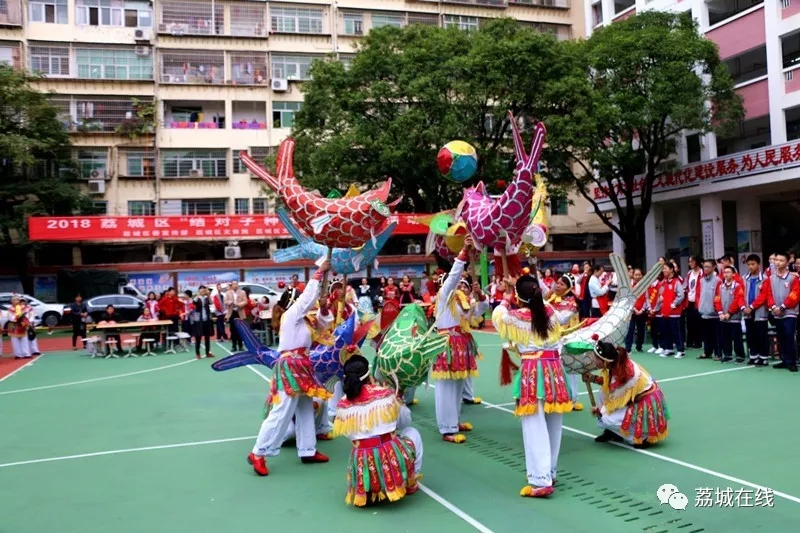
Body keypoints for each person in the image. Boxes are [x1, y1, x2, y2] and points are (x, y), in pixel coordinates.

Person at [247, 261, 334, 476]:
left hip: (302, 366)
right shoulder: (292, 315)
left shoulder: (303, 321)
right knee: (282, 410)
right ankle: (258, 452)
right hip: (291, 366)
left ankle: (307, 449)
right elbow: (306, 300)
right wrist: (319, 274)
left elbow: (323, 328)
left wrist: (323, 308)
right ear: (294, 301)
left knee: (305, 408)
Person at [492, 273, 573, 498]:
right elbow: (551, 308)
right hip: (554, 369)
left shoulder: (515, 317)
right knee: (554, 422)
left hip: (533, 370)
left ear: (519, 297)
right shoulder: (549, 312)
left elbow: (498, 315)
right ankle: (550, 471)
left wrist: (507, 297)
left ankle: (541, 479)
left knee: (534, 424)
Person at [333, 354, 422, 507]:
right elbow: (404, 421)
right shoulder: (384, 394)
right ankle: (409, 481)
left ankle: (367, 488)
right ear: (369, 376)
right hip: (389, 454)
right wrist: (399, 400)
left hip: (362, 458)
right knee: (412, 433)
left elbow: (350, 437)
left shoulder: (342, 404)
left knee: (360, 447)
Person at [431, 236, 489, 444]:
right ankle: (446, 428)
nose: (463, 288)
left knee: (457, 386)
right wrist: (463, 253)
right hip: (446, 345)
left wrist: (480, 295)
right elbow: (454, 277)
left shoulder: (463, 304)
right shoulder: (445, 295)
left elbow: (480, 313)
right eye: (461, 286)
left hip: (461, 346)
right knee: (446, 388)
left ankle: (454, 421)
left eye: (465, 286)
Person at [589, 340, 669, 448]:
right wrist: (593, 378)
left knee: (607, 419)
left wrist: (599, 411)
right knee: (602, 393)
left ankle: (643, 437)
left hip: (644, 403)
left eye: (596, 358)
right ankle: (612, 432)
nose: (594, 360)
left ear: (605, 361)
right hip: (638, 398)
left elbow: (613, 400)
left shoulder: (625, 375)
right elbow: (611, 384)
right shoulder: (617, 364)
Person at [753, 252, 800, 372]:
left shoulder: (793, 278)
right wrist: (773, 306)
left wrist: (783, 307)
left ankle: (792, 361)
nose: (778, 263)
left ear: (787, 262)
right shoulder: (770, 278)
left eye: (781, 260)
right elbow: (768, 294)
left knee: (789, 336)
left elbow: (795, 294)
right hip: (776, 312)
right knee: (781, 337)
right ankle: (784, 360)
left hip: (789, 312)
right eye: (776, 260)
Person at [547, 273, 584, 411]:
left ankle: (573, 399)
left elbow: (562, 320)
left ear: (569, 288)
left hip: (569, 341)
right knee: (554, 370)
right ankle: (558, 397)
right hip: (553, 341)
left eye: (562, 284)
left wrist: (548, 306)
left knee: (571, 370)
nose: (557, 285)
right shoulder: (552, 299)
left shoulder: (572, 303)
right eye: (557, 282)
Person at [715, 265, 745, 364]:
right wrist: (720, 313)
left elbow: (737, 300)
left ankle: (740, 356)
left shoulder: (737, 286)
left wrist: (729, 313)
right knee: (725, 337)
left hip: (734, 317)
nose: (726, 274)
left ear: (733, 274)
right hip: (723, 317)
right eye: (725, 272)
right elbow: (717, 300)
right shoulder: (720, 286)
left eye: (728, 272)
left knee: (737, 338)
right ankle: (728, 355)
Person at [742, 255, 769, 366]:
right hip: (747, 311)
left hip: (759, 310)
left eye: (753, 264)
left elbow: (763, 296)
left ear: (759, 264)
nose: (751, 266)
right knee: (750, 334)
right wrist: (744, 307)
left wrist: (752, 307)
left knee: (761, 334)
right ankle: (753, 356)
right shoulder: (744, 278)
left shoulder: (765, 279)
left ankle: (763, 357)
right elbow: (740, 295)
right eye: (749, 264)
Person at [624, 268, 647, 354]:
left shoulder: (645, 286)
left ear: (642, 276)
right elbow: (628, 299)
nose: (637, 276)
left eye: (639, 275)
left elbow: (647, 299)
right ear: (633, 276)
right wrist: (634, 309)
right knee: (630, 329)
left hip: (642, 311)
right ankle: (628, 348)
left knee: (641, 330)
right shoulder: (629, 286)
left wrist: (642, 309)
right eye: (636, 275)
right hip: (631, 312)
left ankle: (639, 346)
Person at [192, 285, 214, 359]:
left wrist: (208, 295)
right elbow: (194, 302)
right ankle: (197, 353)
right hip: (199, 320)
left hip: (207, 319)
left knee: (207, 337)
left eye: (204, 290)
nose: (203, 291)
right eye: (201, 290)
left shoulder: (206, 298)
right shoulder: (197, 297)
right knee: (198, 337)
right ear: (199, 291)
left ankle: (208, 352)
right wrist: (199, 295)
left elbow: (211, 302)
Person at [225, 281, 248, 352]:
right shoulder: (228, 293)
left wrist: (238, 304)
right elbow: (225, 301)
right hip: (232, 313)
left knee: (240, 330)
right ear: (231, 285)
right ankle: (234, 345)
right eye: (233, 284)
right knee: (232, 330)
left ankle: (240, 346)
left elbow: (245, 301)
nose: (235, 286)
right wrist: (230, 302)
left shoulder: (242, 292)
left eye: (236, 284)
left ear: (238, 285)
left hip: (239, 312)